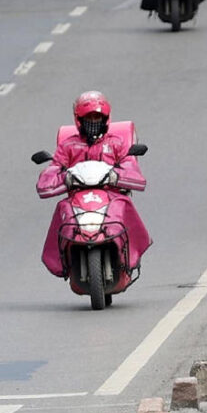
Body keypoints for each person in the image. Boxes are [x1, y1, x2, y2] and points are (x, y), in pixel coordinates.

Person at [36, 91, 146, 277]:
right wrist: (63, 178)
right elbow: (53, 170)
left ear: (105, 119)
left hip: (112, 196)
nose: (93, 122)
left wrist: (116, 176)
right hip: (76, 199)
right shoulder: (68, 146)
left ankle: (131, 255)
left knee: (125, 206)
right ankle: (62, 261)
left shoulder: (116, 144)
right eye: (89, 118)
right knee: (62, 209)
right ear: (79, 120)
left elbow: (131, 169)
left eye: (97, 118)